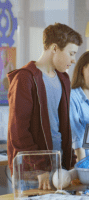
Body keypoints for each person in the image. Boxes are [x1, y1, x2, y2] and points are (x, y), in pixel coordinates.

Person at [7, 23, 83, 190]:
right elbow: (18, 132)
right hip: (32, 172)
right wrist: (39, 168)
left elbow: (64, 127)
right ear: (55, 48)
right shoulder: (25, 79)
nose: (73, 59)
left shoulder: (63, 79)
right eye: (71, 53)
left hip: (59, 168)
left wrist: (71, 164)